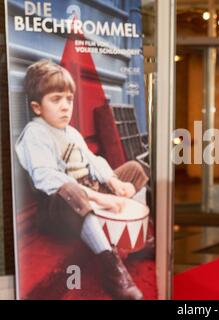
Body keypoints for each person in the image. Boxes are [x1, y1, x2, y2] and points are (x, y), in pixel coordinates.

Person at [15, 59, 151, 300]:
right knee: (71, 190)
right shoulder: (35, 133)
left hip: (89, 190)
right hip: (59, 209)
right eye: (56, 100)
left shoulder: (72, 132)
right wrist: (101, 198)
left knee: (135, 170)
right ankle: (113, 270)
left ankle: (136, 239)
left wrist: (113, 181)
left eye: (69, 99)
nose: (65, 107)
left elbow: (94, 161)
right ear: (37, 107)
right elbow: (48, 179)